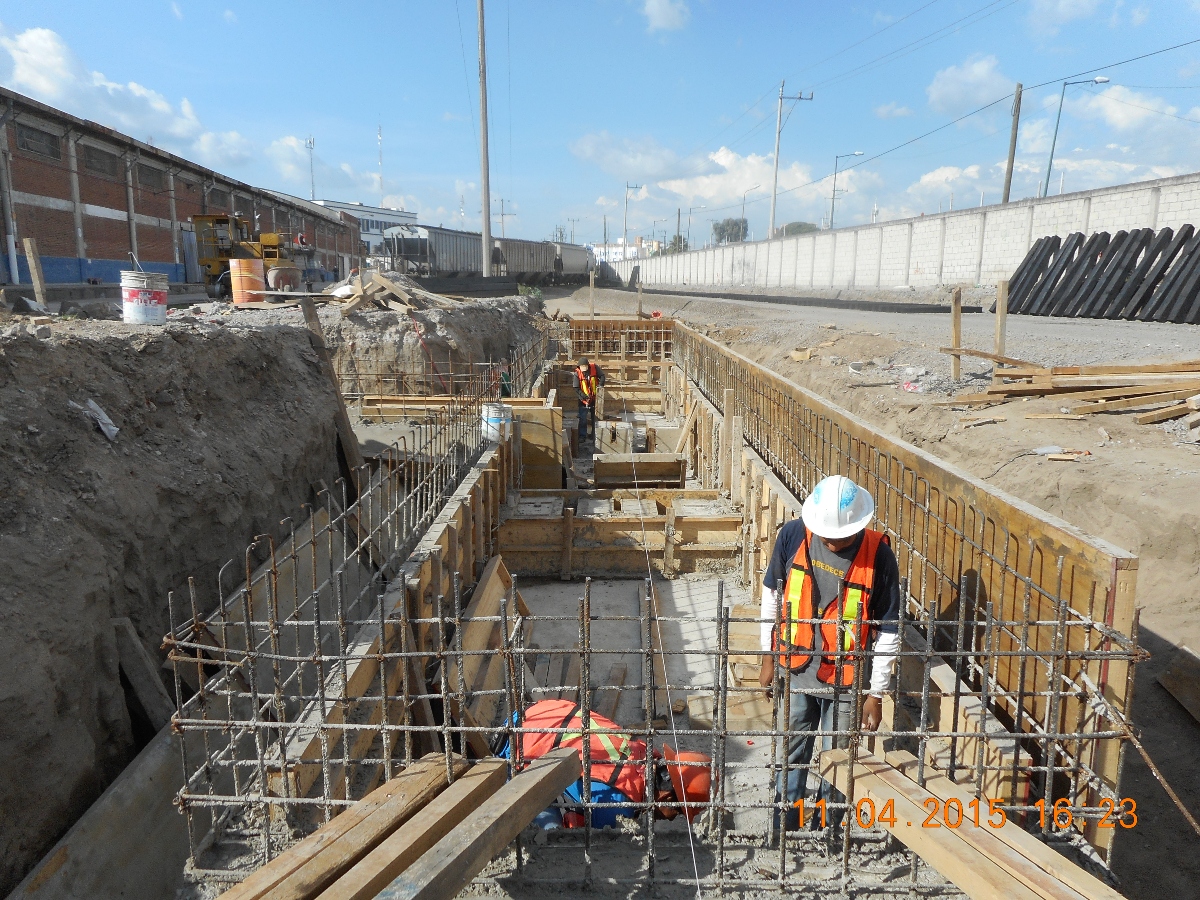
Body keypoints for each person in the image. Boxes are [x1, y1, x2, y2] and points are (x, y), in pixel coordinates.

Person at [757, 475, 900, 831]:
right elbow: (772, 598)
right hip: (796, 666)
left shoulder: (879, 556)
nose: (833, 543)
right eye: (827, 535)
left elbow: (889, 630)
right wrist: (767, 657)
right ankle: (786, 823)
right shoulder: (793, 536)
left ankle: (827, 827)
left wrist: (876, 694)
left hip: (845, 679)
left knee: (838, 758)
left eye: (842, 537)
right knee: (790, 750)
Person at [500, 698, 712, 829]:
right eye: (678, 812)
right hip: (510, 750)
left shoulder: (640, 753)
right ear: (666, 796)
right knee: (551, 835)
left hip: (534, 716)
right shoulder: (619, 805)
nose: (672, 820)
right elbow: (580, 834)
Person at [572, 356, 605, 444]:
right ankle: (582, 436)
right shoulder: (577, 374)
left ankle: (594, 435)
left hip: (595, 399)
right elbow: (576, 388)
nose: (584, 368)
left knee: (595, 418)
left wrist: (600, 386)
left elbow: (602, 376)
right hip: (583, 400)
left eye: (585, 366)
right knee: (583, 419)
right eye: (582, 367)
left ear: (588, 365)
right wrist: (584, 396)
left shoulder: (594, 368)